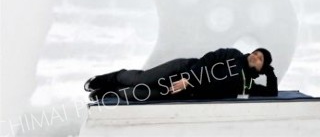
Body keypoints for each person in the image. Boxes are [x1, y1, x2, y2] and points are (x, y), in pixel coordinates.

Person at [84, 47, 277, 102]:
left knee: (138, 94)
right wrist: (189, 78)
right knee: (139, 79)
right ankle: (107, 79)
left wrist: (271, 74)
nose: (255, 56)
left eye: (260, 59)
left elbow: (272, 93)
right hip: (182, 71)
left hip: (184, 92)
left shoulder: (247, 86)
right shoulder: (234, 56)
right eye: (255, 53)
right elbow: (208, 59)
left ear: (262, 68)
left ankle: (108, 93)